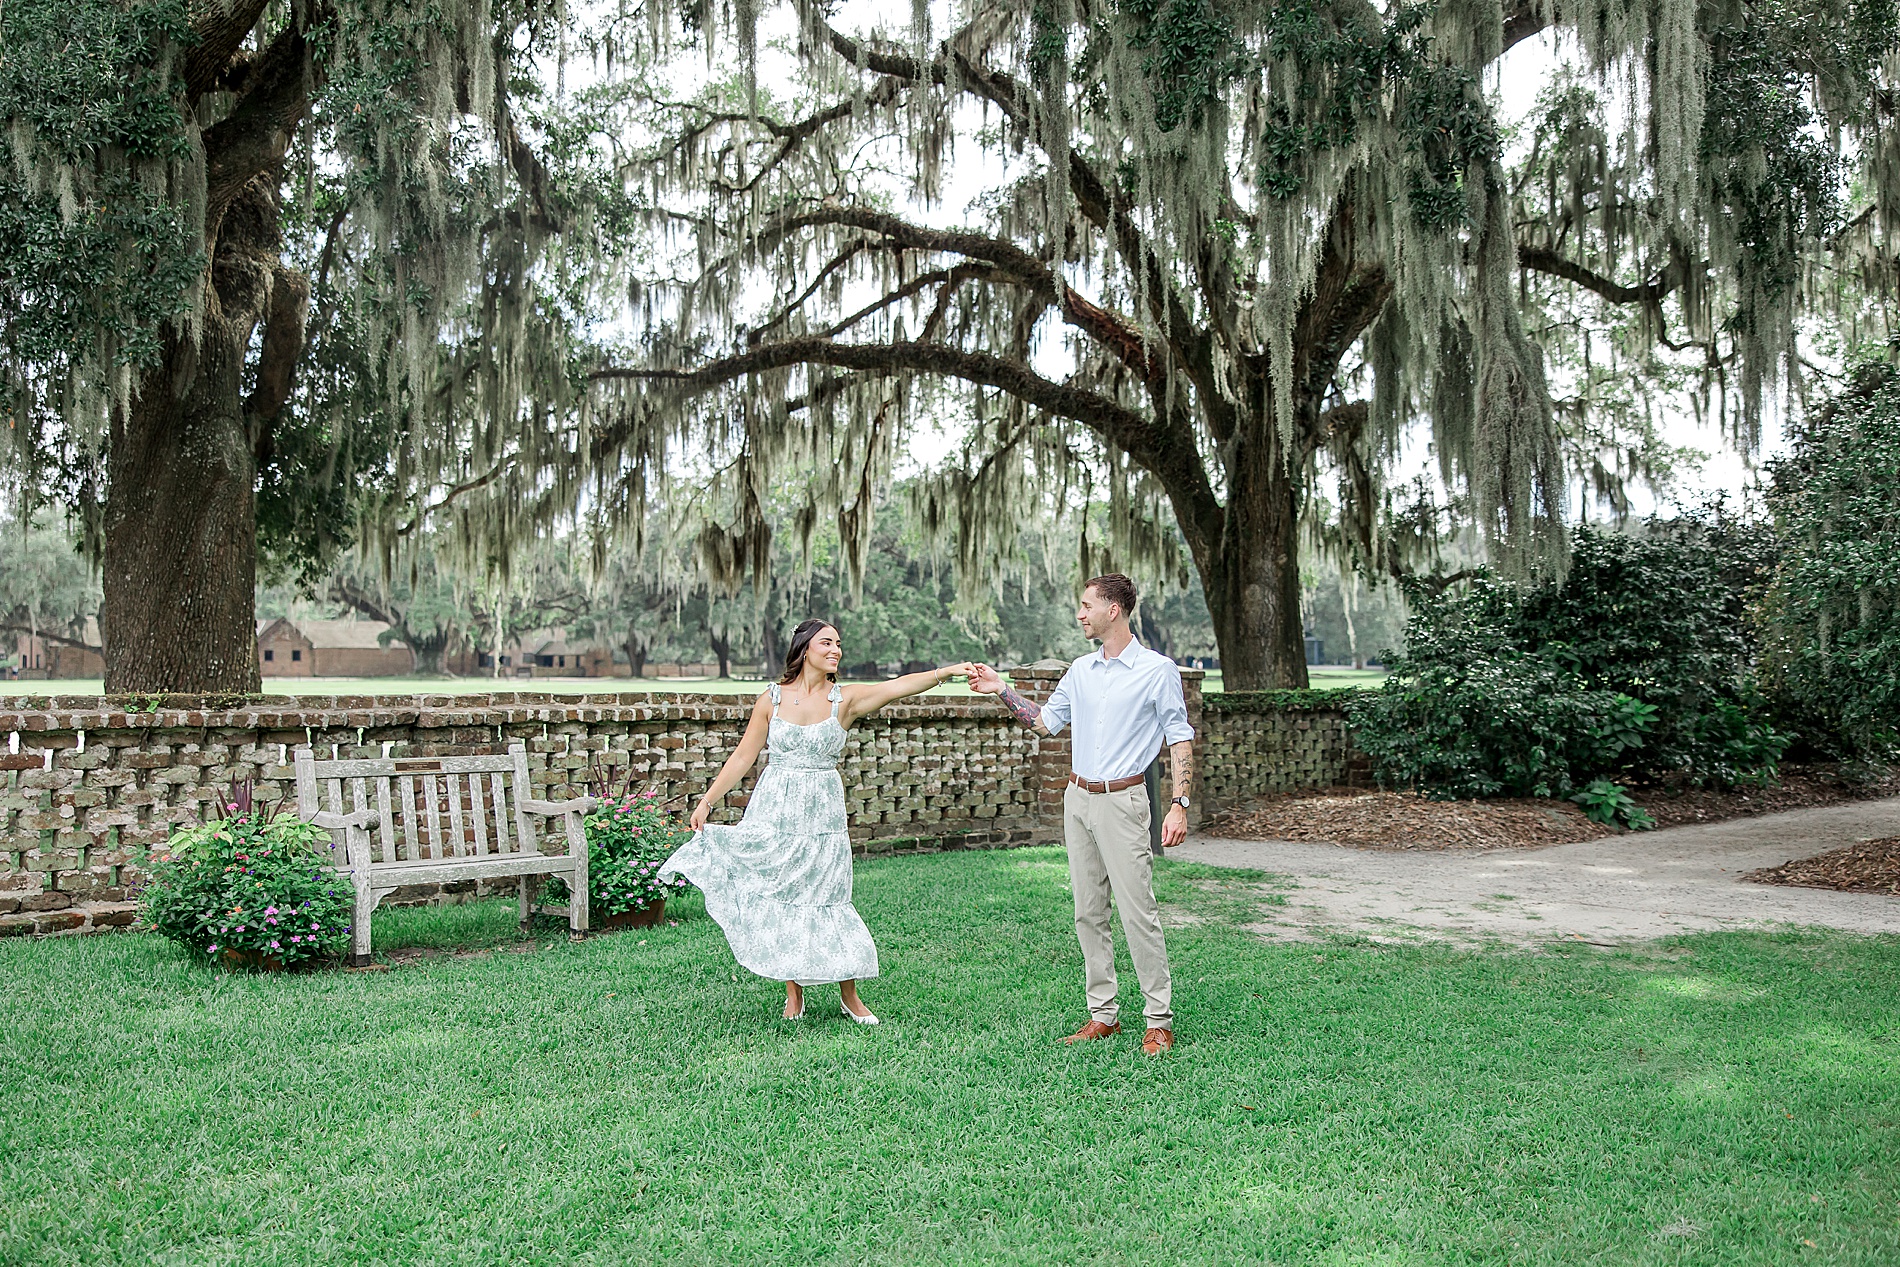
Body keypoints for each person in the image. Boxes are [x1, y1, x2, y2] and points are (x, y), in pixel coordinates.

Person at [660, 618, 975, 1024]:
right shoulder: (771, 699)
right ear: (805, 648)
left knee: (828, 896)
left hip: (823, 815)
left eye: (839, 644)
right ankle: (794, 994)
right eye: (827, 642)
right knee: (786, 893)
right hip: (775, 811)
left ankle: (850, 996)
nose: (836, 650)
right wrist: (707, 801)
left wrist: (945, 673)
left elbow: (896, 686)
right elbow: (743, 756)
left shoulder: (844, 699)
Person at [969, 574, 1194, 1056]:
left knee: (1139, 913)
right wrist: (1000, 689)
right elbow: (1045, 723)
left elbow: (1179, 736)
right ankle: (1103, 1015)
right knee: (1088, 912)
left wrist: (1179, 803)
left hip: (1124, 802)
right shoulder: (1081, 670)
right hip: (1079, 801)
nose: (1080, 613)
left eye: (1087, 605)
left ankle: (1158, 1019)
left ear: (1114, 609)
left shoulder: (1157, 670)